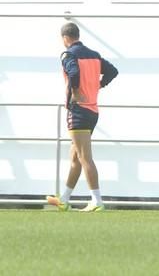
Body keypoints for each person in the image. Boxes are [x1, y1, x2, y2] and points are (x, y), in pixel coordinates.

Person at [46, 22, 118, 212]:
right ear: (77, 35)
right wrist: (99, 85)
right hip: (92, 110)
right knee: (76, 157)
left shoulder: (68, 54)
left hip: (78, 110)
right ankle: (64, 199)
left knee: (85, 157)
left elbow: (74, 73)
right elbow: (112, 71)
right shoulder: (94, 55)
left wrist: (76, 93)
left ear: (65, 38)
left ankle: (97, 201)